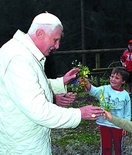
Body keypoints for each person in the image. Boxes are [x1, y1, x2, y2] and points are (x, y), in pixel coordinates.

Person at [0, 12, 104, 154]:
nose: (57, 46)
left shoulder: (24, 53)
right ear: (40, 33)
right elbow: (39, 111)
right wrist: (79, 114)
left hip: (27, 140)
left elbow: (32, 84)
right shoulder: (18, 59)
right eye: (55, 40)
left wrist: (62, 82)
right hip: (22, 147)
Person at [84, 66, 131, 155]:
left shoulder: (125, 95)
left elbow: (127, 112)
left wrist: (126, 125)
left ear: (123, 81)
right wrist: (86, 83)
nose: (113, 79)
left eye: (117, 78)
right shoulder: (104, 89)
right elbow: (92, 91)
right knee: (106, 147)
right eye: (112, 76)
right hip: (104, 123)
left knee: (118, 147)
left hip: (118, 125)